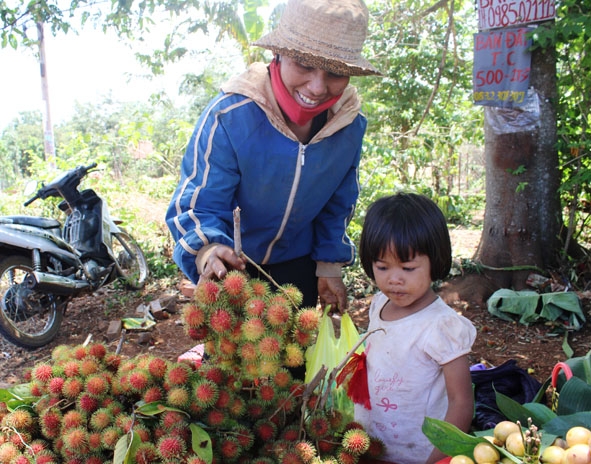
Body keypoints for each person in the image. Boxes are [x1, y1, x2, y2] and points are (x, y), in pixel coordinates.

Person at [166, 0, 380, 311]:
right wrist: (207, 250)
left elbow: (338, 203)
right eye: (304, 65)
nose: (318, 87)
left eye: (336, 72)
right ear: (276, 55)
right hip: (231, 267)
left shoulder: (347, 126)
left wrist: (329, 266)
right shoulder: (229, 116)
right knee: (229, 358)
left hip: (298, 268)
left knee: (297, 357)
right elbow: (200, 200)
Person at [354, 193, 477, 464]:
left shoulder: (442, 326)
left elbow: (461, 402)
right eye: (382, 267)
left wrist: (437, 459)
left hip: (419, 455)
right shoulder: (378, 305)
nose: (394, 279)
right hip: (370, 447)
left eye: (408, 268)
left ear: (435, 262)